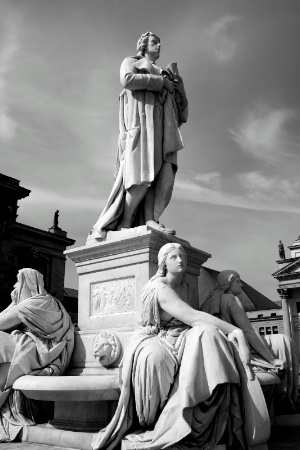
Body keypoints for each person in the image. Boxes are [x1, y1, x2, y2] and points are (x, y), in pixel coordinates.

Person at [92, 244, 257, 450]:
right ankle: (157, 420)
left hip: (178, 336)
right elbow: (193, 316)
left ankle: (201, 408)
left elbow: (194, 319)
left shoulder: (185, 286)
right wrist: (236, 332)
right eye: (174, 257)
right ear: (163, 263)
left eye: (183, 257)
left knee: (207, 335)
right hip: (155, 338)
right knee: (155, 358)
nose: (180, 260)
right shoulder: (159, 289)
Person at [91, 32, 188, 240]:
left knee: (161, 173)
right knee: (141, 173)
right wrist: (160, 83)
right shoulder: (131, 62)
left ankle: (149, 218)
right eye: (154, 42)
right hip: (141, 126)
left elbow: (182, 114)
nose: (159, 45)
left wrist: (180, 91)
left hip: (161, 129)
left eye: (160, 42)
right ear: (143, 46)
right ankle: (125, 222)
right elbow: (127, 80)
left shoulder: (166, 74)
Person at [201, 270, 299, 412]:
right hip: (236, 345)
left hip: (220, 345)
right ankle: (286, 401)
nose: (241, 285)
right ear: (228, 282)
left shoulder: (209, 301)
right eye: (237, 281)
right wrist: (272, 360)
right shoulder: (231, 299)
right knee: (284, 341)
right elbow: (249, 332)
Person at [0, 268, 74, 442]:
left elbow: (1, 322)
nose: (14, 286)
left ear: (28, 284)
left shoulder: (36, 302)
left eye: (18, 282)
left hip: (43, 354)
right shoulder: (45, 300)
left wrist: (14, 304)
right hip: (43, 353)